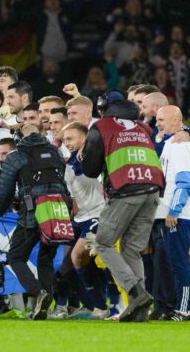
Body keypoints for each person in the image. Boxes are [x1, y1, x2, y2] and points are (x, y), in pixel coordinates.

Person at [81, 97, 165, 322]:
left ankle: (136, 292)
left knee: (103, 243)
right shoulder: (143, 127)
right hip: (152, 189)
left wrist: (85, 156)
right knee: (131, 250)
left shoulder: (101, 126)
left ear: (104, 110)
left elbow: (90, 170)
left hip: (126, 191)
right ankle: (140, 312)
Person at [0, 124, 68, 320]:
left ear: (18, 138)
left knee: (16, 257)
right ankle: (45, 305)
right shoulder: (56, 152)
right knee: (45, 259)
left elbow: (5, 189)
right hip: (58, 211)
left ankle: (38, 292)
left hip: (32, 214)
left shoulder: (16, 157)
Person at [155, 105, 190, 321]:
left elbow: (184, 182)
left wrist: (174, 210)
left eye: (162, 119)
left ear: (177, 122)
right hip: (177, 214)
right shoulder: (171, 145)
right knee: (177, 262)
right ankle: (188, 307)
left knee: (179, 263)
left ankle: (186, 309)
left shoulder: (181, 146)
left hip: (179, 215)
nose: (158, 124)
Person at [60, 122, 108, 319]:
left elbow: (89, 171)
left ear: (84, 139)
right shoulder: (70, 163)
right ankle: (96, 306)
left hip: (97, 218)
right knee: (72, 264)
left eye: (70, 139)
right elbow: (75, 199)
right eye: (64, 140)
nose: (67, 143)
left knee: (80, 256)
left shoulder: (94, 158)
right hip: (80, 220)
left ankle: (109, 304)